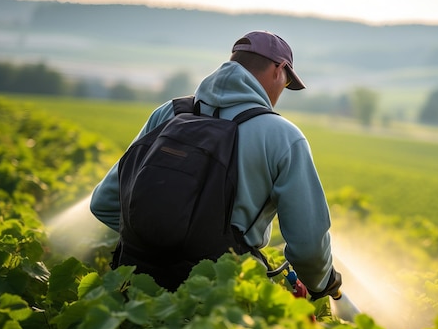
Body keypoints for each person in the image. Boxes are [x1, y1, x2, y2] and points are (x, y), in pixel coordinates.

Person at [90, 30, 342, 300]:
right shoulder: (282, 136)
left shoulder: (168, 113)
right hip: (224, 301)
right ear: (279, 70)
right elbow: (307, 248)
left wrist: (162, 243)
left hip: (137, 288)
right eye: (285, 82)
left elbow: (104, 202)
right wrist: (324, 283)